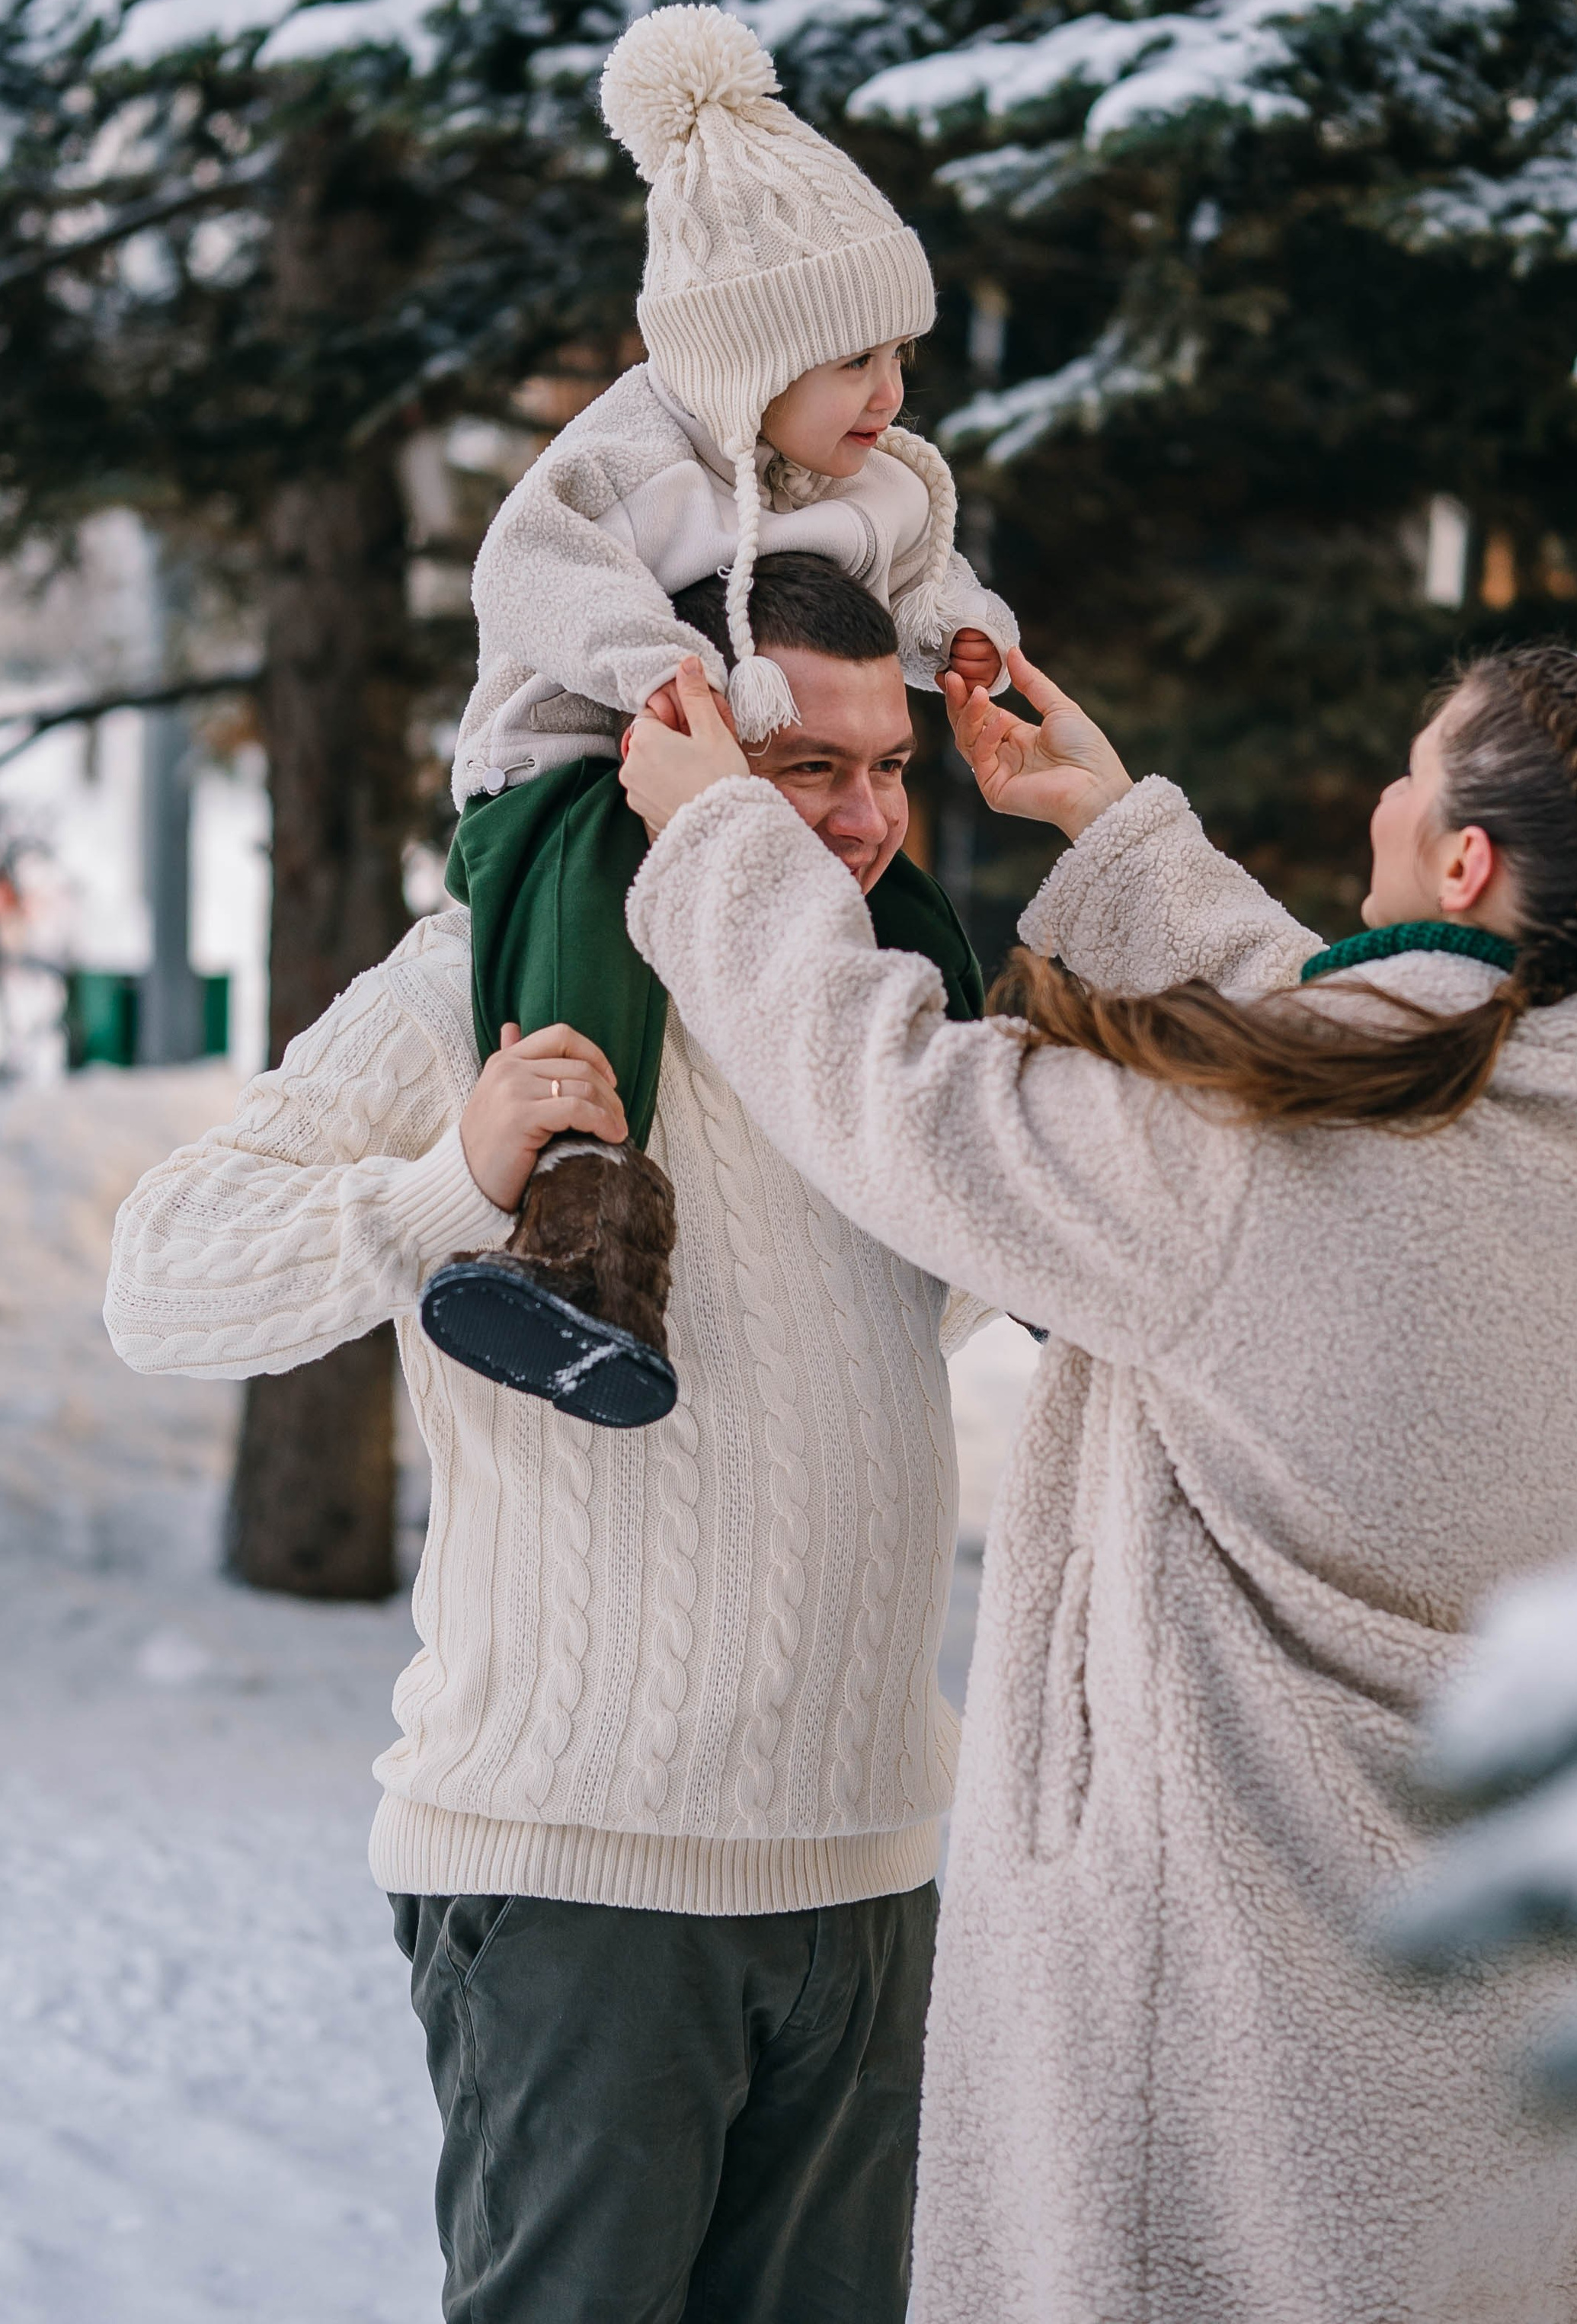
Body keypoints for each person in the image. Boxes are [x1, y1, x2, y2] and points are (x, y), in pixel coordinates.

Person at [616, 637, 1577, 2324]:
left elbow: (901, 1094)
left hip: (1236, 1981)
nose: (1377, 789)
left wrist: (719, 840)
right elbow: (1376, 1065)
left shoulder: (1254, 1178)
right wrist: (1123, 844)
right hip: (1496, 1979)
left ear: (1458, 864)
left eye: (1408, 768)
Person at [104, 556, 997, 2324]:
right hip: (586, 1878)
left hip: (870, 1868)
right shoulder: (484, 977)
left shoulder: (881, 1019)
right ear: (662, 737)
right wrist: (453, 1184)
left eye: (889, 768)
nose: (867, 817)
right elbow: (163, 1281)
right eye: (807, 768)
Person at [433, 1, 1016, 1419]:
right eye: (852, 364)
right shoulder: (637, 459)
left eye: (901, 359)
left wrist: (973, 645)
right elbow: (531, 566)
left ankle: (1013, 1195)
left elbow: (931, 573)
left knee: (917, 917)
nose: (888, 395)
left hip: (733, 793)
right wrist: (656, 672)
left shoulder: (882, 475)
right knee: (599, 905)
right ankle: (580, 1237)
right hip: (572, 769)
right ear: (750, 363)